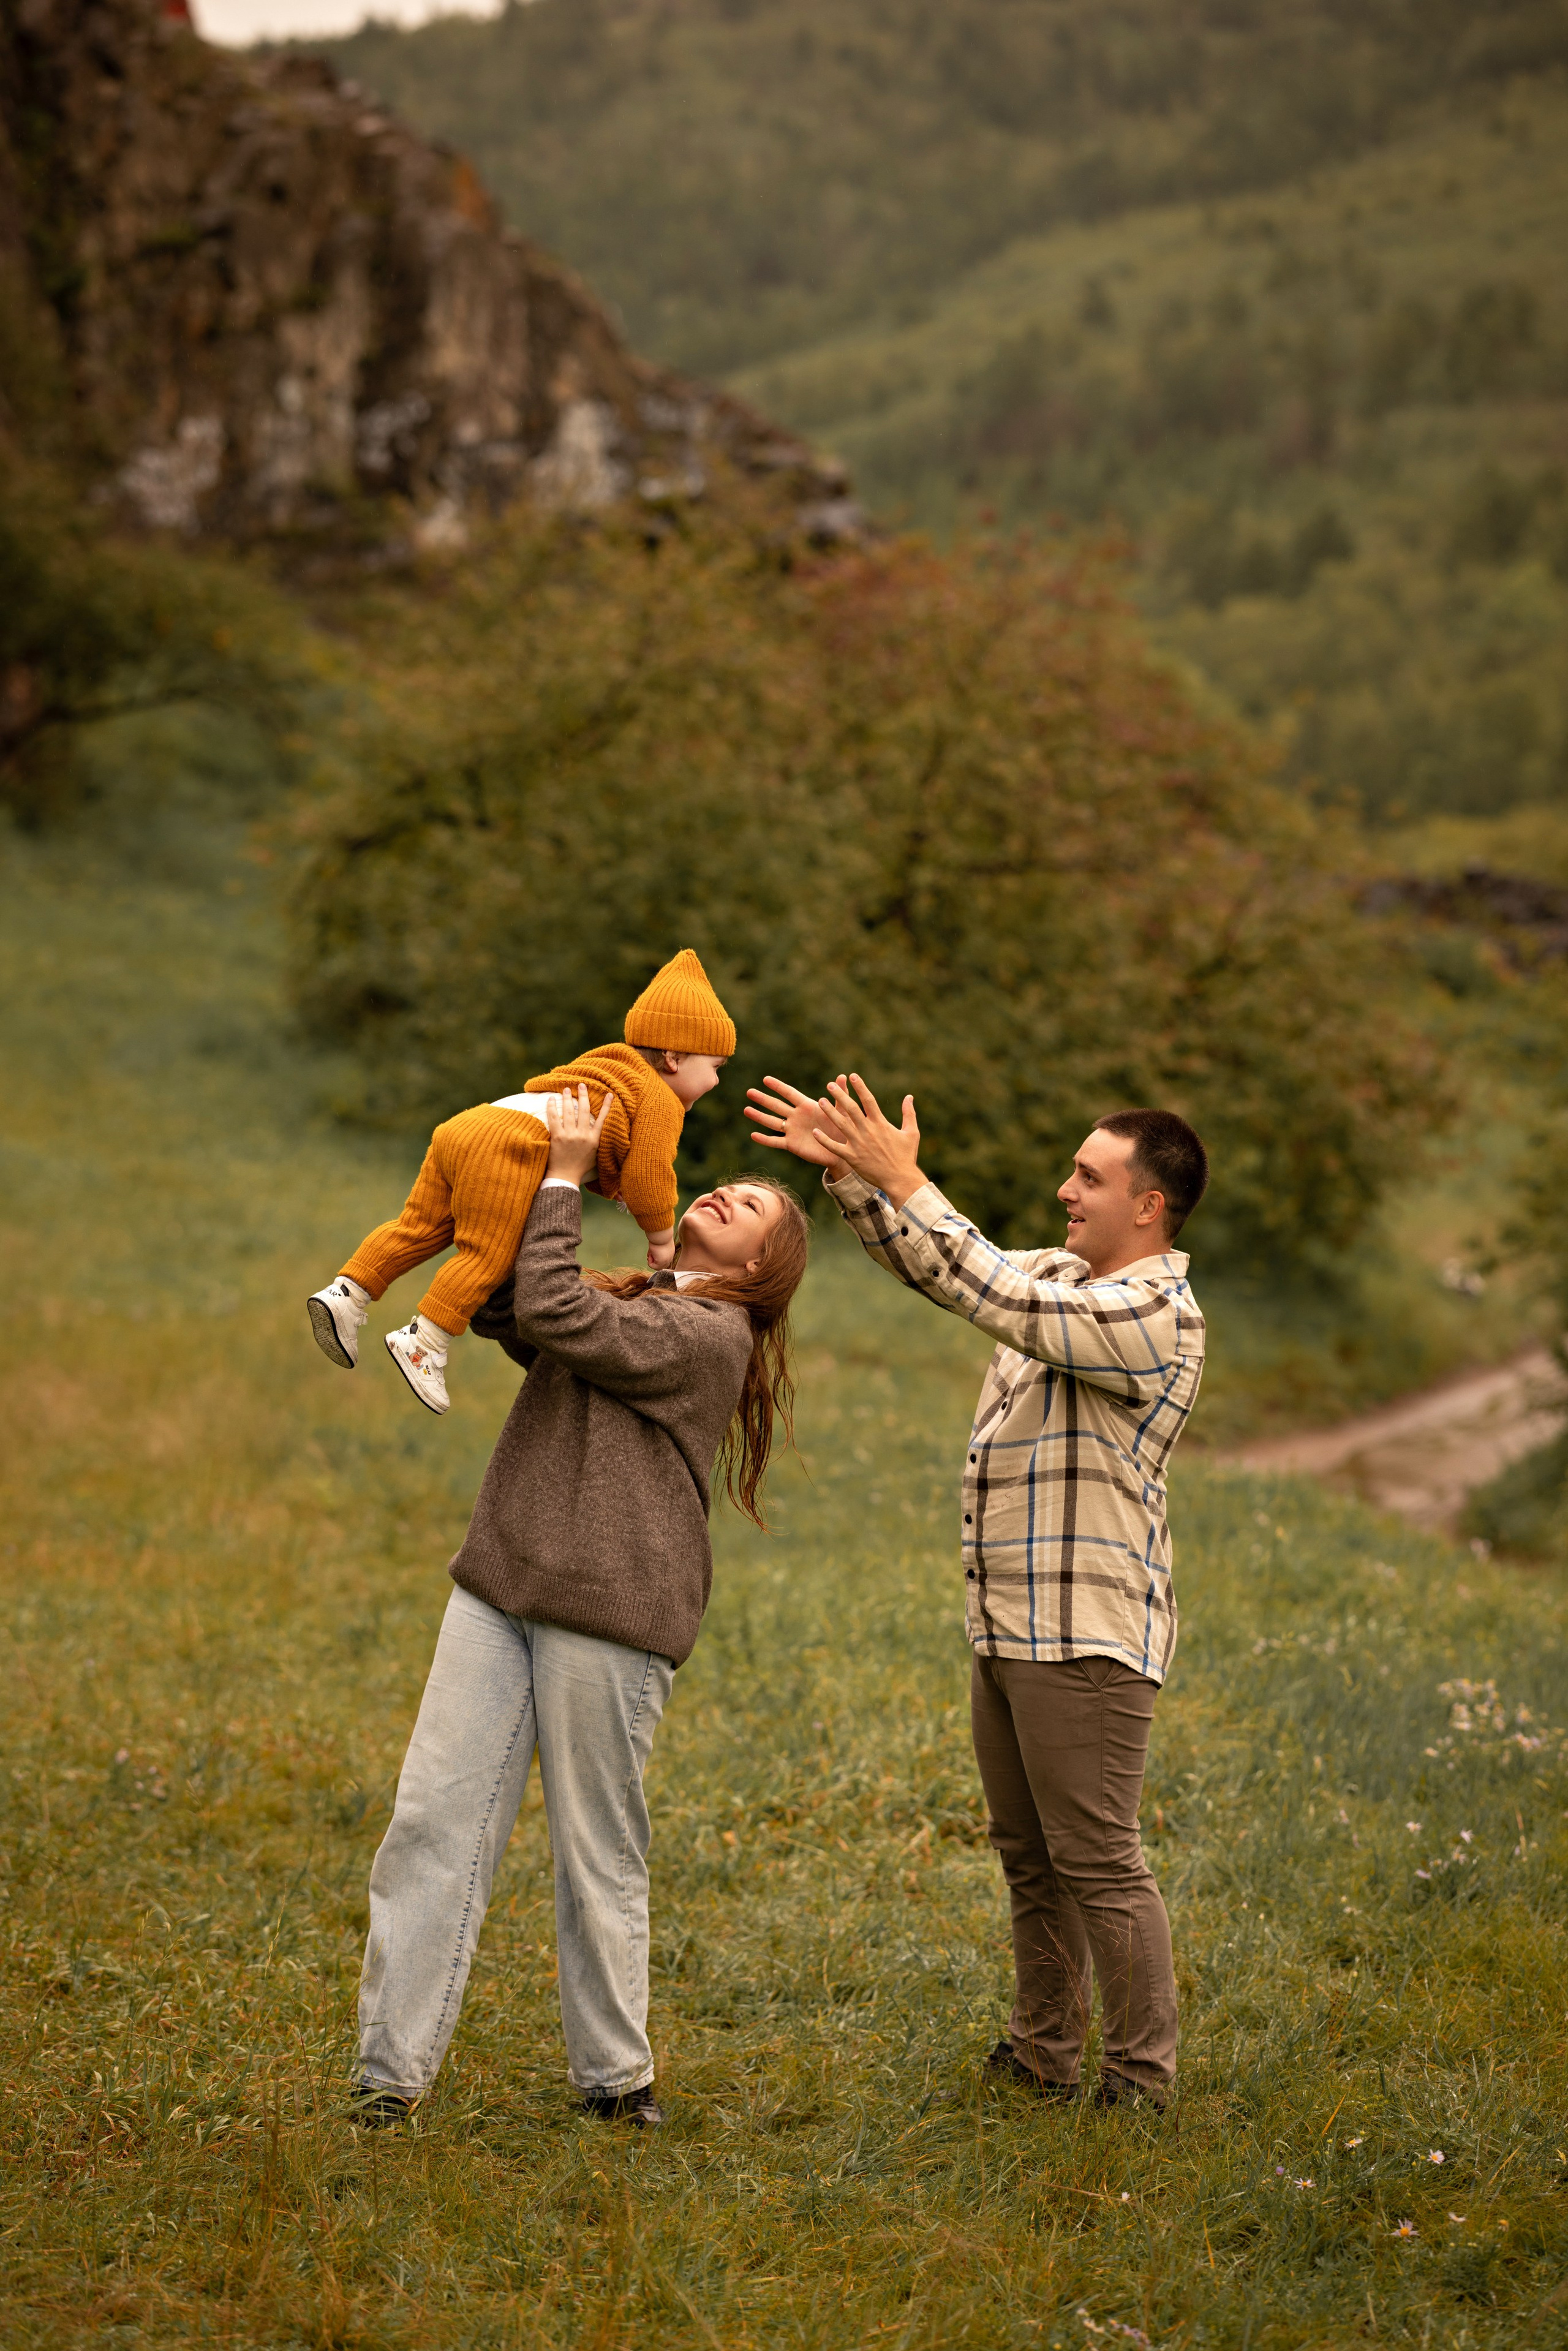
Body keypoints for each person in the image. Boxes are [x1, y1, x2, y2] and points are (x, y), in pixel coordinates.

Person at [747, 1071, 1207, 2110]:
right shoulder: (1057, 1273)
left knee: (1098, 1860)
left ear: (1151, 1205)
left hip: (1083, 1637)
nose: (1064, 1190)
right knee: (1030, 1858)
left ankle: (1141, 2081)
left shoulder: (1157, 1313)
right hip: (1008, 1626)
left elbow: (998, 1294)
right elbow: (949, 1271)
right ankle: (1042, 2053)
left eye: (1089, 1177)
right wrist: (857, 1181)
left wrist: (908, 1177)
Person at [354, 1084, 809, 2130]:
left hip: (611, 1608)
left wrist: (562, 1180)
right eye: (730, 1181)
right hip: (502, 1578)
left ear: (757, 1270)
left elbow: (560, 1312)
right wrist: (513, 1172)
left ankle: (617, 2081)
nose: (729, 1192)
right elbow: (517, 1304)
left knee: (595, 1848)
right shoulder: (636, 1299)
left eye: (753, 1207)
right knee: (428, 1822)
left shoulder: (709, 1336)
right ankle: (388, 2078)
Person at [306, 948, 736, 1415]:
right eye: (715, 1068)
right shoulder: (660, 1099)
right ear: (673, 1057)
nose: (715, 1083)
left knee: (420, 1226)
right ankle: (424, 1340)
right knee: (490, 1253)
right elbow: (650, 1176)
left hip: (475, 1123)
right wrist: (660, 1240)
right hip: (510, 1147)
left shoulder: (612, 1065)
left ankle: (346, 1293)